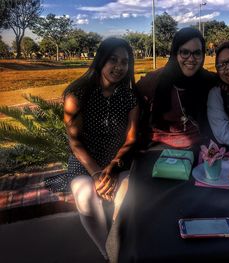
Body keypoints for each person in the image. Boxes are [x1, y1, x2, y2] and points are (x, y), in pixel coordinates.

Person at [47, 37, 139, 261]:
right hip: (84, 163)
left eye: (124, 62)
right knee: (87, 196)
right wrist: (97, 173)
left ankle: (118, 246)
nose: (118, 67)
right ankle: (107, 253)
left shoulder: (130, 98)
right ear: (100, 61)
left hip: (118, 162)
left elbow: (130, 139)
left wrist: (112, 168)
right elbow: (75, 142)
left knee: (126, 195)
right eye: (112, 60)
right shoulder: (77, 94)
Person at [137, 27, 216, 149]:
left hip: (200, 147)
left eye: (197, 53)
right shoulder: (153, 81)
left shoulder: (208, 80)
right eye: (185, 52)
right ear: (175, 53)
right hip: (159, 147)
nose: (191, 59)